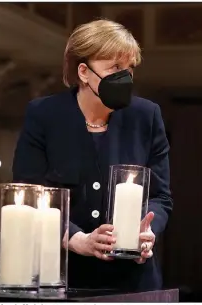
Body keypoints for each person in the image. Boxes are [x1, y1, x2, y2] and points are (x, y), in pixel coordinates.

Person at [13, 19, 173, 292]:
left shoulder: (146, 116)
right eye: (115, 68)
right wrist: (77, 239)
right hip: (62, 277)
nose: (125, 77)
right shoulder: (44, 115)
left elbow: (160, 197)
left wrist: (147, 232)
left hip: (133, 283)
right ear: (84, 72)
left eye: (129, 68)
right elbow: (29, 195)